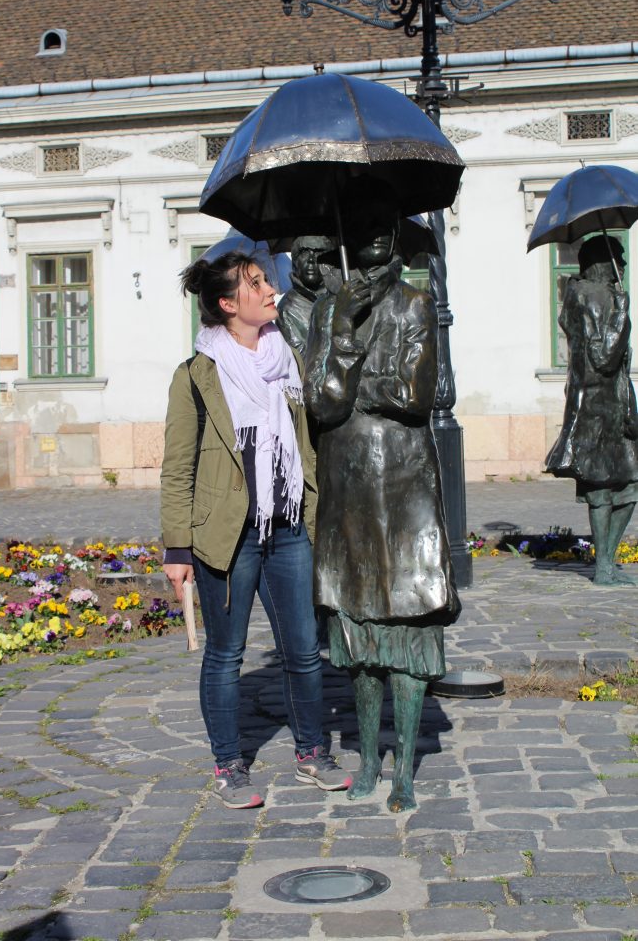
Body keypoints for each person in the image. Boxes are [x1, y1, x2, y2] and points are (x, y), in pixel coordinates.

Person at [161, 253, 352, 808]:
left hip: (287, 525)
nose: (271, 289)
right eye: (256, 283)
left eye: (266, 280)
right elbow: (178, 467)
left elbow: (311, 438)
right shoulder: (196, 375)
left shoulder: (287, 359)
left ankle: (311, 753)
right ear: (227, 304)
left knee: (304, 650)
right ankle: (229, 766)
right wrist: (177, 548)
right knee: (226, 654)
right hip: (226, 536)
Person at [304, 198, 461, 813]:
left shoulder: (415, 304)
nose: (373, 235)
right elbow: (321, 403)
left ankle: (405, 774)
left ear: (395, 235)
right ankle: (369, 758)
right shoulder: (327, 310)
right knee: (359, 630)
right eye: (362, 224)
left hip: (403, 483)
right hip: (347, 484)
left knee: (407, 626)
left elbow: (414, 395)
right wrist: (343, 329)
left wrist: (354, 389)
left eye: (382, 227)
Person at [546, 234, 638, 586]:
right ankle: (603, 566)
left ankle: (608, 562)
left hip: (608, 403)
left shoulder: (583, 294)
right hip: (598, 407)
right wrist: (622, 313)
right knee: (603, 487)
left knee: (629, 486)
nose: (623, 266)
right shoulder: (592, 296)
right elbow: (603, 357)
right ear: (602, 262)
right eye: (618, 258)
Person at [277, 236, 333, 356]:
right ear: (294, 262)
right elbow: (304, 361)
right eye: (304, 253)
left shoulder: (340, 294)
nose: (311, 260)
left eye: (318, 252)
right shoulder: (287, 310)